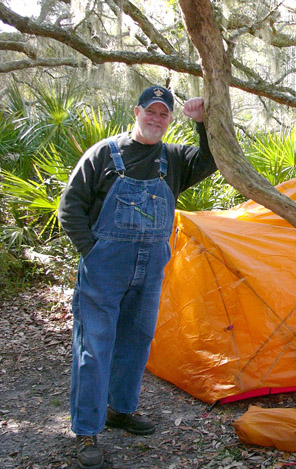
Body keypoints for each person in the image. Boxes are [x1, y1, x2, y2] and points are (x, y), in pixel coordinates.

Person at [58, 86, 218, 469]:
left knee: (137, 339)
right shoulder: (103, 153)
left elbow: (214, 160)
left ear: (169, 120)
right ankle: (86, 431)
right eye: (151, 111)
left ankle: (121, 410)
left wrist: (204, 124)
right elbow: (70, 207)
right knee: (94, 346)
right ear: (137, 111)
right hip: (105, 265)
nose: (156, 118)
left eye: (164, 114)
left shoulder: (174, 158)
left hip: (150, 267)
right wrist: (93, 253)